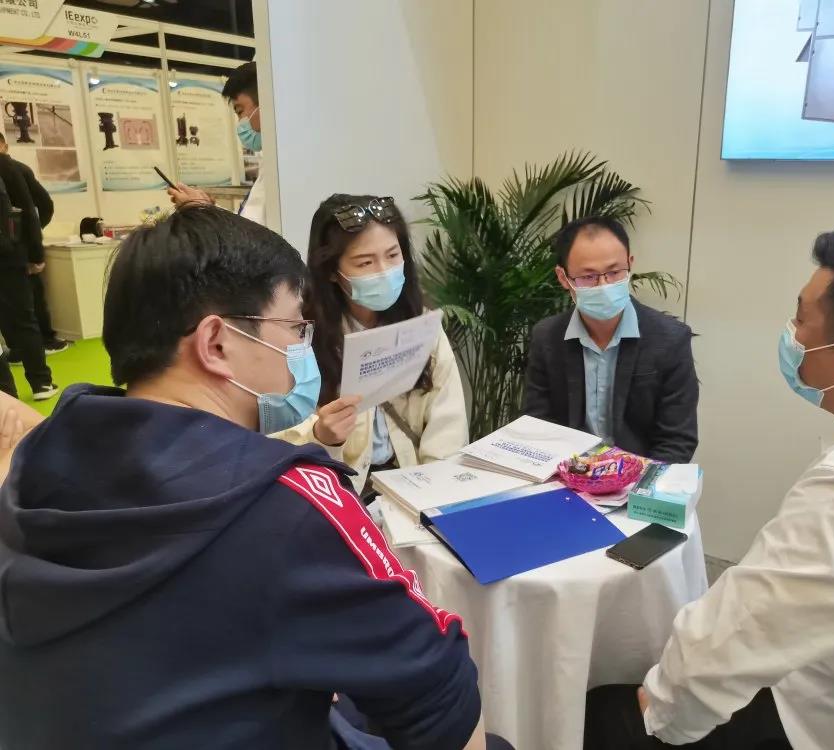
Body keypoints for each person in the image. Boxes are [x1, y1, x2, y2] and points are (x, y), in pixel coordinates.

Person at [0, 206, 493, 750]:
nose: (299, 351)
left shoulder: (34, 464)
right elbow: (441, 703)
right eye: (294, 328)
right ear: (216, 343)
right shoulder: (288, 506)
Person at [584, 222, 834, 750]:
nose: (792, 335)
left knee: (598, 715)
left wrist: (656, 714)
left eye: (801, 318)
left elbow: (728, 640)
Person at [271, 194, 468, 495]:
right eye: (365, 262)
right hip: (338, 488)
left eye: (393, 255)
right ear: (331, 271)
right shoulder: (299, 336)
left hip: (412, 485)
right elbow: (276, 437)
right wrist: (321, 436)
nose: (384, 271)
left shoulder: (422, 324)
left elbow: (447, 427)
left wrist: (433, 497)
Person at [523, 216, 698, 461]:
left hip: (639, 476)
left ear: (630, 264)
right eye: (589, 277)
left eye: (614, 272)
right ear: (563, 278)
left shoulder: (670, 339)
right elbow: (538, 426)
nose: (603, 285)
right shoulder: (547, 337)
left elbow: (676, 441)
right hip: (565, 474)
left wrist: (635, 483)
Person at [166, 62, 266, 225]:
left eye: (240, 111)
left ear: (265, 105)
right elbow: (250, 223)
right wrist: (207, 207)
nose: (240, 122)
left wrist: (203, 209)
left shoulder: (284, 167)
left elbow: (256, 233)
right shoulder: (269, 165)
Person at [0, 132, 70, 358]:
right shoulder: (17, 169)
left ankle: (25, 347)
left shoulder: (17, 170)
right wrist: (32, 238)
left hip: (17, 248)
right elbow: (41, 206)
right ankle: (40, 344)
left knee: (19, 303)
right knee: (27, 303)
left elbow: (38, 207)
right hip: (19, 249)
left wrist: (34, 238)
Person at [0, 137, 57, 400]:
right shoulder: (12, 168)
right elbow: (36, 210)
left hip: (11, 253)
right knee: (24, 317)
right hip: (12, 255)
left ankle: (12, 390)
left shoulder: (13, 169)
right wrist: (32, 249)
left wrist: (33, 249)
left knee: (21, 317)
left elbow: (36, 210)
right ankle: (40, 382)